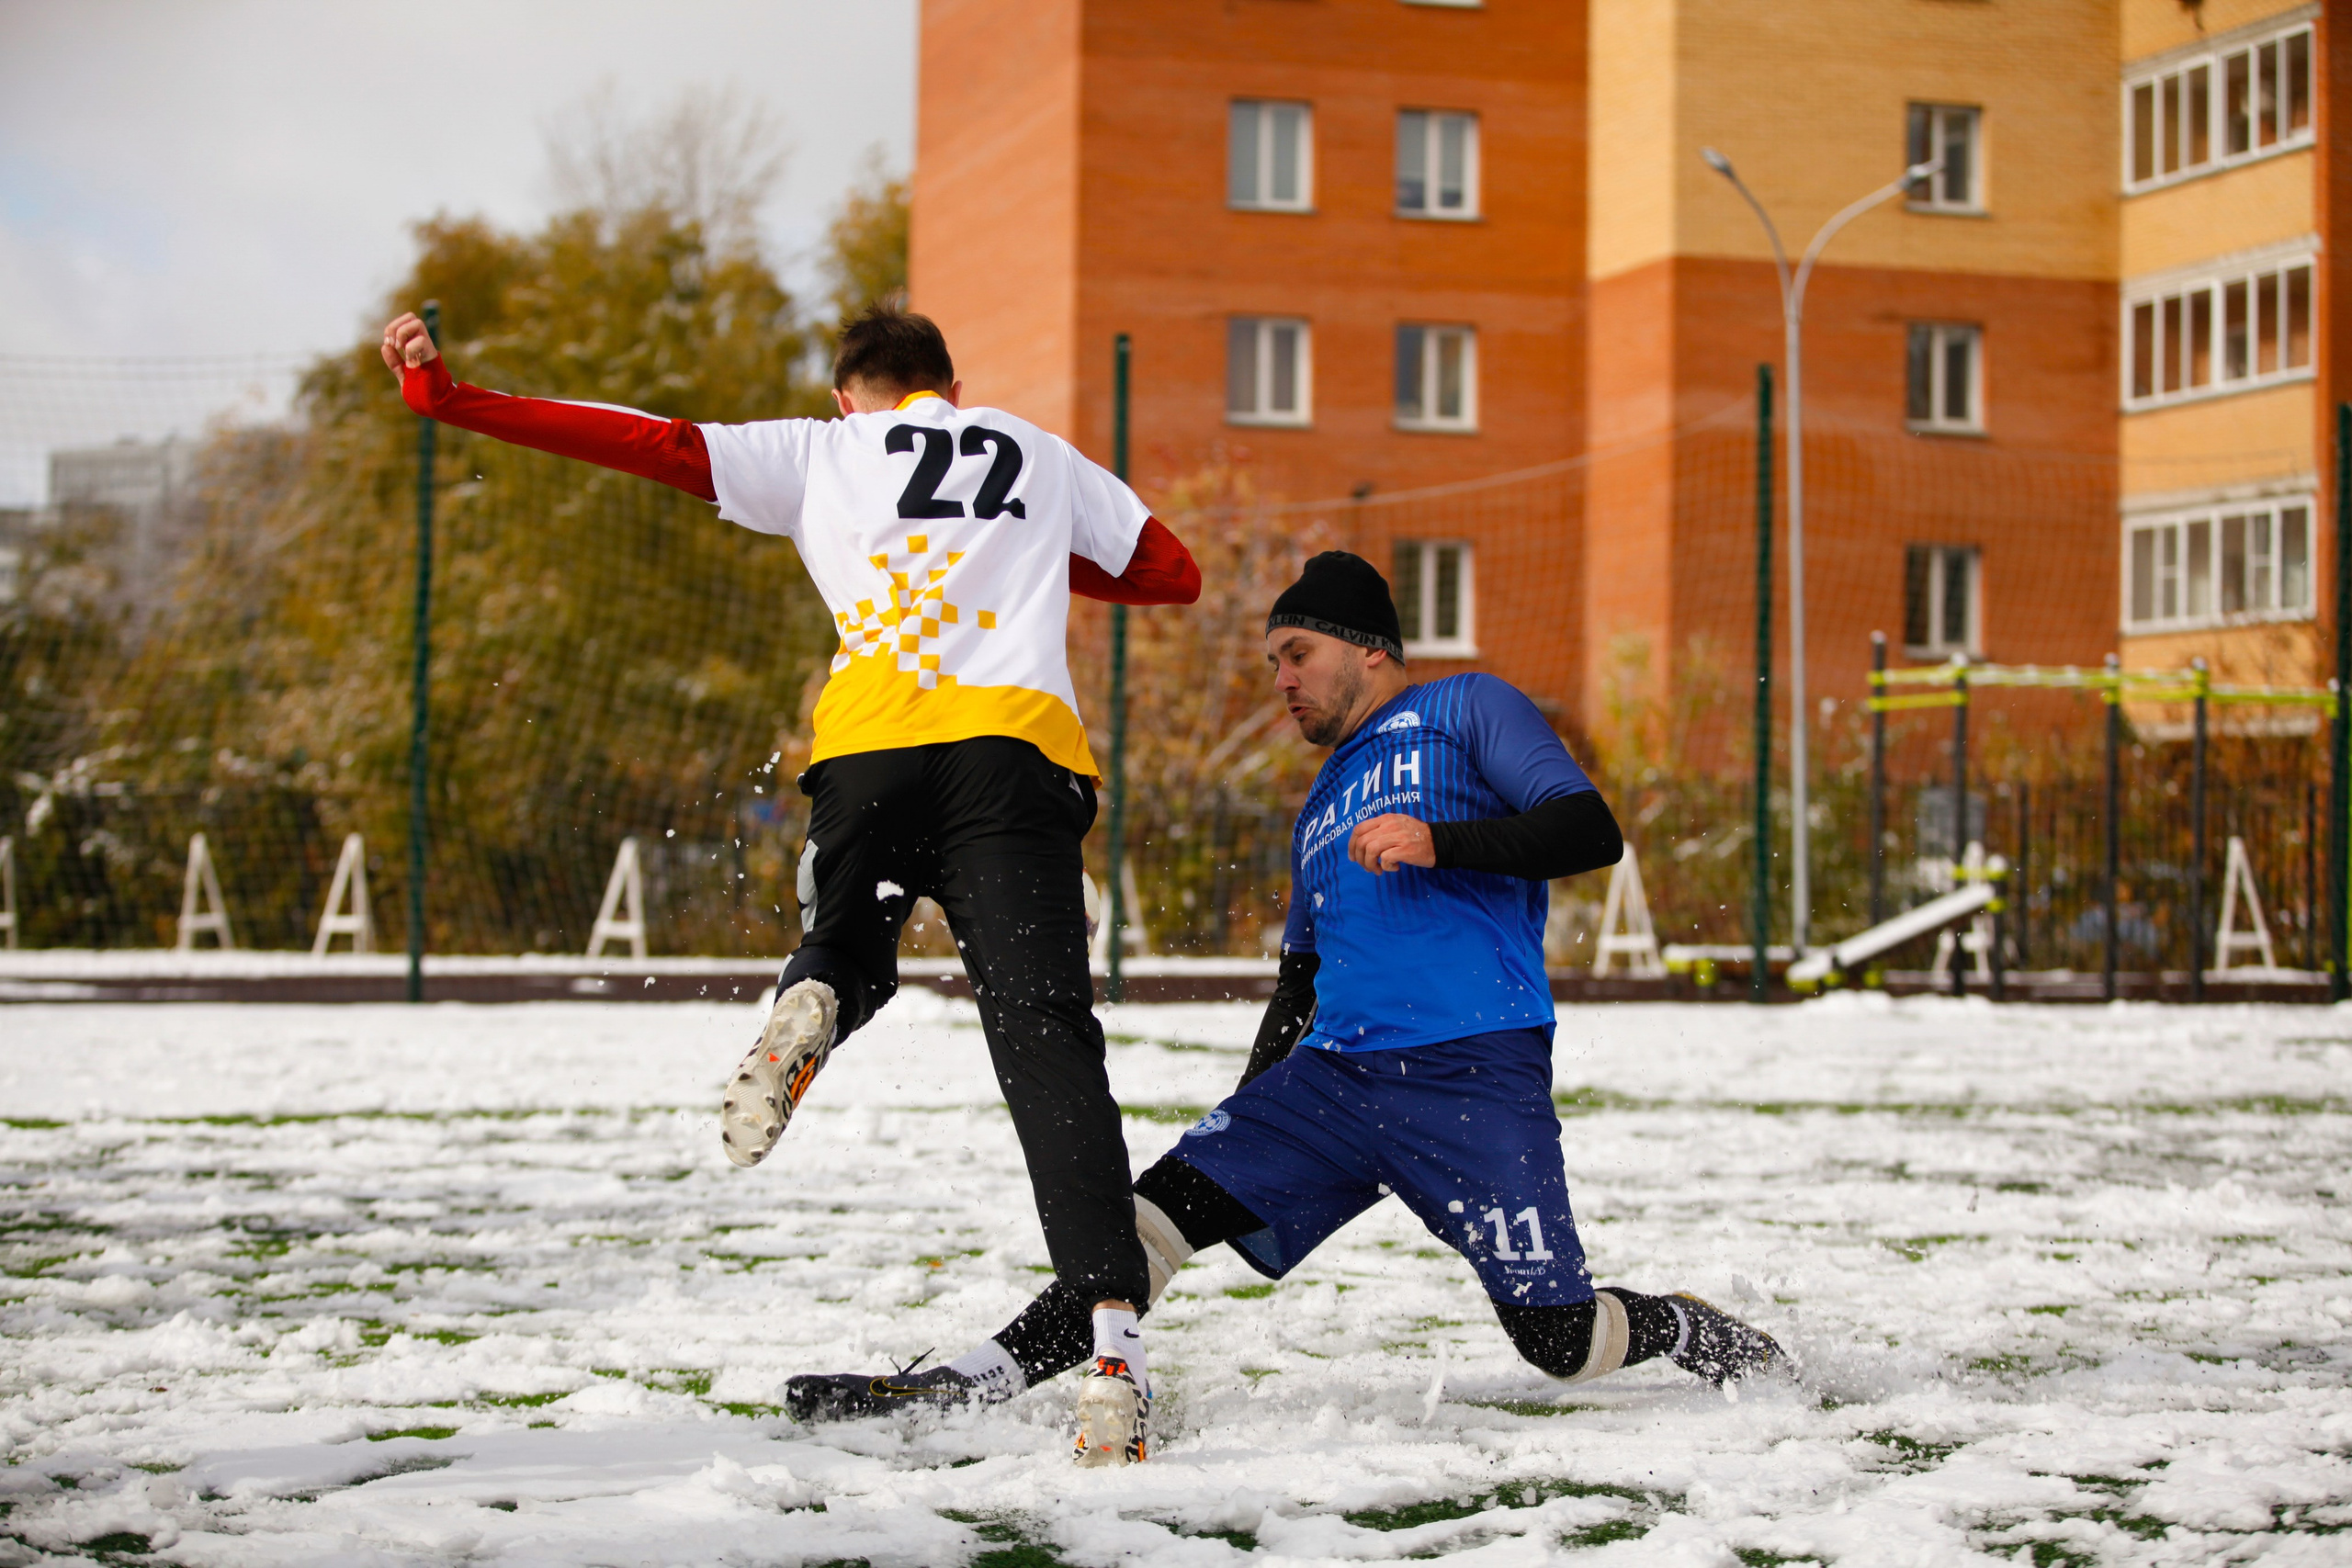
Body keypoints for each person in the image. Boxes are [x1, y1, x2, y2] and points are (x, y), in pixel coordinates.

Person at [379, 304, 1198, 1438]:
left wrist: (450, 399)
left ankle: (812, 991)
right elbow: (1171, 571)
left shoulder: (818, 452)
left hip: (869, 749)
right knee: (1046, 1037)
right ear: (950, 390)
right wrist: (1019, 557)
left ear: (844, 395)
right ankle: (1113, 1358)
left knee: (849, 946)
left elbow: (650, 440)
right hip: (1015, 758)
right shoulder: (1036, 452)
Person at [785, 551, 1783, 1464]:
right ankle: (968, 1383)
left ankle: (1687, 1326)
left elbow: (1589, 829)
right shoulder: (1318, 805)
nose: (1282, 680)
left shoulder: (1471, 707)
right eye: (1274, 661)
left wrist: (1444, 841)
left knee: (1559, 1344)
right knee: (1138, 1225)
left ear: (1371, 652)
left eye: (1296, 653)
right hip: (1331, 1085)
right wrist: (1249, 1113)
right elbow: (1298, 983)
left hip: (1473, 1077)